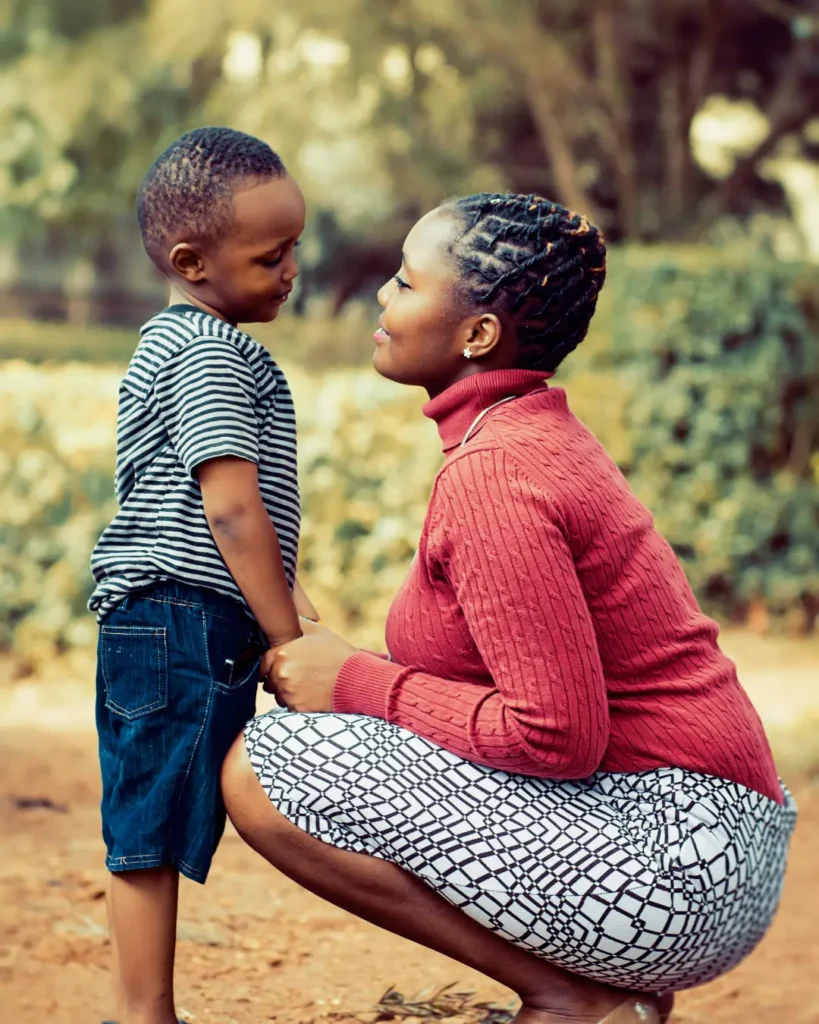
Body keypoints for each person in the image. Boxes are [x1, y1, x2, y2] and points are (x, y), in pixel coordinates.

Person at [221, 192, 797, 1024]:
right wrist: (352, 668)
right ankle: (606, 995)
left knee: (267, 770)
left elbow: (555, 734)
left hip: (680, 863)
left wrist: (354, 683)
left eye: (405, 284)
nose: (382, 297)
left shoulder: (497, 474)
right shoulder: (523, 436)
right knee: (310, 742)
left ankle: (569, 998)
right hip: (704, 843)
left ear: (477, 335)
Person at [89, 127, 318, 1024]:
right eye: (272, 255)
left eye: (296, 245)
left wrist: (298, 616)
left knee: (165, 808)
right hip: (174, 617)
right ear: (191, 260)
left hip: (188, 619)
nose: (293, 268)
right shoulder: (206, 352)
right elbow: (230, 511)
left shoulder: (204, 345)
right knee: (147, 822)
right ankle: (142, 1013)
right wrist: (290, 638)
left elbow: (256, 531)